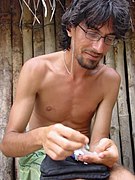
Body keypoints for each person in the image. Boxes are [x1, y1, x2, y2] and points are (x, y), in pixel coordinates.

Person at [0, 0, 135, 179]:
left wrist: (104, 153)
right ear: (70, 28)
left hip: (82, 155)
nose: (99, 47)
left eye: (108, 38)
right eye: (92, 33)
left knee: (125, 177)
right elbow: (8, 145)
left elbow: (96, 145)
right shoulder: (37, 69)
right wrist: (42, 136)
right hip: (40, 153)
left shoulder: (109, 80)